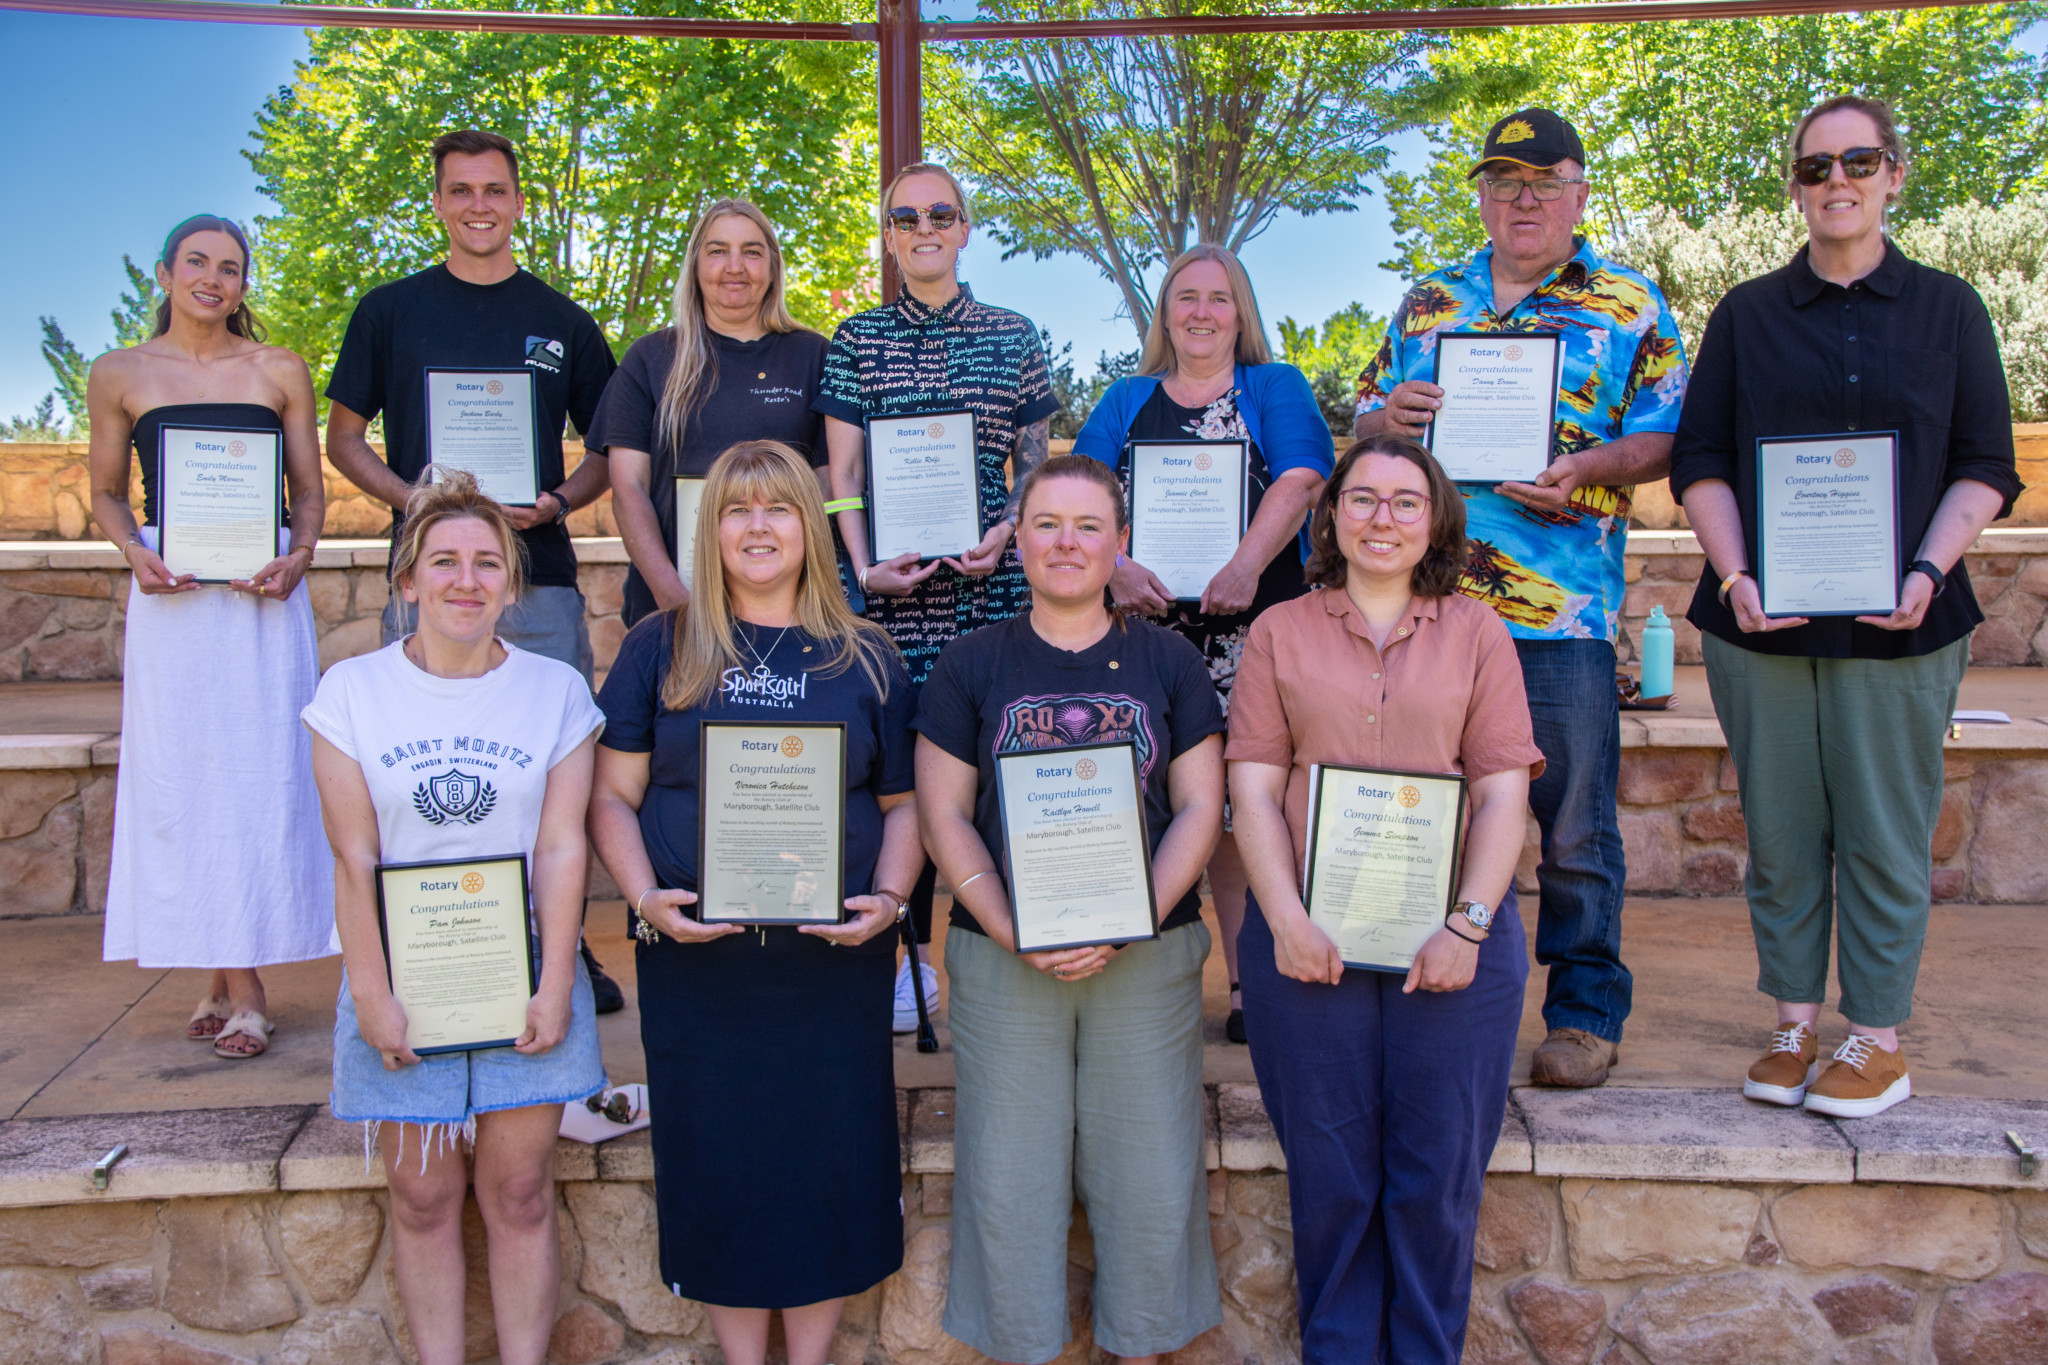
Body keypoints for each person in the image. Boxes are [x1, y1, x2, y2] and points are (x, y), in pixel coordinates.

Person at [1670, 96, 2020, 1119]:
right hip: (1759, 620)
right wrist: (1735, 575)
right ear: (1794, 187)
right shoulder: (1744, 314)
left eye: (1855, 161)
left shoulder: (1948, 309)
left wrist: (1922, 569)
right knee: (1778, 835)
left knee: (1879, 831)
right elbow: (1699, 458)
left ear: (1892, 174)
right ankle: (1791, 1022)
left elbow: (1984, 464)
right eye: (1814, 167)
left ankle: (1874, 1039)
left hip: (1902, 620)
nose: (1835, 181)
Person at [1354, 107, 1689, 1088]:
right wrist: (1387, 418)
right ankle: (1431, 1003)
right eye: (1504, 182)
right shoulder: (1425, 303)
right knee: (1427, 813)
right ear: (1484, 198)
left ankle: (1582, 1015)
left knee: (1574, 825)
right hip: (1427, 612)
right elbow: (1363, 428)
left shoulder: (1627, 302)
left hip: (1564, 615)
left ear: (1579, 194)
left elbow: (1667, 434)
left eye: (1543, 181)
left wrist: (1586, 461)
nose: (1523, 199)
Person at [587, 441, 919, 1365]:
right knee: (721, 1163)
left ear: (809, 525)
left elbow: (905, 804)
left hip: (830, 965)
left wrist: (891, 898)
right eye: (738, 509)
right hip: (698, 963)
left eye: (779, 508)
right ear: (712, 528)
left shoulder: (867, 654)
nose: (760, 526)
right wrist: (645, 894)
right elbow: (611, 796)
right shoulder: (663, 642)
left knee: (825, 1158)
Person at [1228, 434, 1542, 1362]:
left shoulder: (1479, 632)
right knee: (1330, 1178)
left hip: (1452, 941)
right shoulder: (1279, 630)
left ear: (1435, 519)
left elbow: (1501, 793)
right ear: (1331, 517)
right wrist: (1281, 918)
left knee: (1435, 1181)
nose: (1383, 519)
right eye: (1363, 499)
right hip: (1305, 940)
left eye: (1406, 502)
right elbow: (1251, 787)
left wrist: (1468, 924)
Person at [916, 454, 1226, 1365]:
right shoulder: (971, 662)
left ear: (1120, 542)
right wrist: (1014, 930)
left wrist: (1129, 917)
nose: (1066, 542)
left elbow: (1202, 806)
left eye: (1088, 525)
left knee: (1150, 1176)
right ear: (1016, 538)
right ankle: (1021, 1347)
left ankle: (1143, 1346)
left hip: (1147, 950)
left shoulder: (1168, 659)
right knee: (1009, 1182)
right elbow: (941, 813)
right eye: (1045, 522)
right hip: (1004, 953)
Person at [304, 470, 606, 1365]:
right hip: (401, 975)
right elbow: (353, 859)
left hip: (521, 972)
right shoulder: (350, 694)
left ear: (512, 583)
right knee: (423, 1196)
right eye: (443, 561)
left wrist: (558, 986)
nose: (465, 580)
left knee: (517, 1194)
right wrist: (371, 993)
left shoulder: (553, 692)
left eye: (486, 563)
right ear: (408, 579)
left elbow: (561, 850)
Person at [325, 127, 625, 1011]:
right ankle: (420, 948)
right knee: (419, 773)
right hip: (432, 575)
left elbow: (611, 447)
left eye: (495, 190)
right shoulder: (389, 311)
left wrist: (561, 502)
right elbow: (345, 438)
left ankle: (562, 943)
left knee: (548, 775)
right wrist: (411, 502)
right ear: (438, 204)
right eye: (462, 192)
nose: (479, 206)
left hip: (538, 573)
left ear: (519, 201)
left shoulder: (563, 320)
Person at [816, 160, 1059, 1033]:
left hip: (985, 593)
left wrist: (1007, 534)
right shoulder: (855, 339)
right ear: (887, 235)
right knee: (896, 781)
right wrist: (862, 564)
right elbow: (840, 474)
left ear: (964, 228)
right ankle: (904, 958)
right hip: (887, 599)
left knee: (988, 764)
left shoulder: (1012, 334)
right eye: (905, 217)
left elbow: (1032, 465)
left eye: (941, 214)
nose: (923, 228)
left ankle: (991, 948)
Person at [1072, 242, 1331, 1045]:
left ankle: (1259, 979)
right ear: (1164, 312)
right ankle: (1123, 964)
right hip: (1147, 637)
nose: (1201, 313)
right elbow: (1074, 494)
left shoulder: (1273, 386)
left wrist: (1246, 565)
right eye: (1185, 297)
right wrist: (1112, 566)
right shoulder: (1127, 397)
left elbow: (1302, 477)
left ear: (1241, 312)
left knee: (1252, 800)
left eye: (1219, 298)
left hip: (1257, 627)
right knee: (1164, 801)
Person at [87, 213, 331, 1059]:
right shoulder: (120, 372)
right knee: (184, 776)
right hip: (175, 599)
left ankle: (239, 978)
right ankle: (235, 981)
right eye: (197, 262)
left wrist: (299, 555)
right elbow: (109, 493)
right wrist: (133, 554)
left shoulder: (279, 369)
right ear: (164, 273)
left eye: (230, 268)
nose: (213, 279)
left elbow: (308, 490)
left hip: (262, 600)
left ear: (243, 284)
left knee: (260, 776)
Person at [585, 200, 830, 628]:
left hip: (787, 615)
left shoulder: (814, 356)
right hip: (670, 606)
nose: (735, 266)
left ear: (773, 266)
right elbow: (628, 489)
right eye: (717, 251)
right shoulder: (652, 357)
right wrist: (674, 601)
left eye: (752, 252)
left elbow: (829, 484)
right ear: (695, 265)